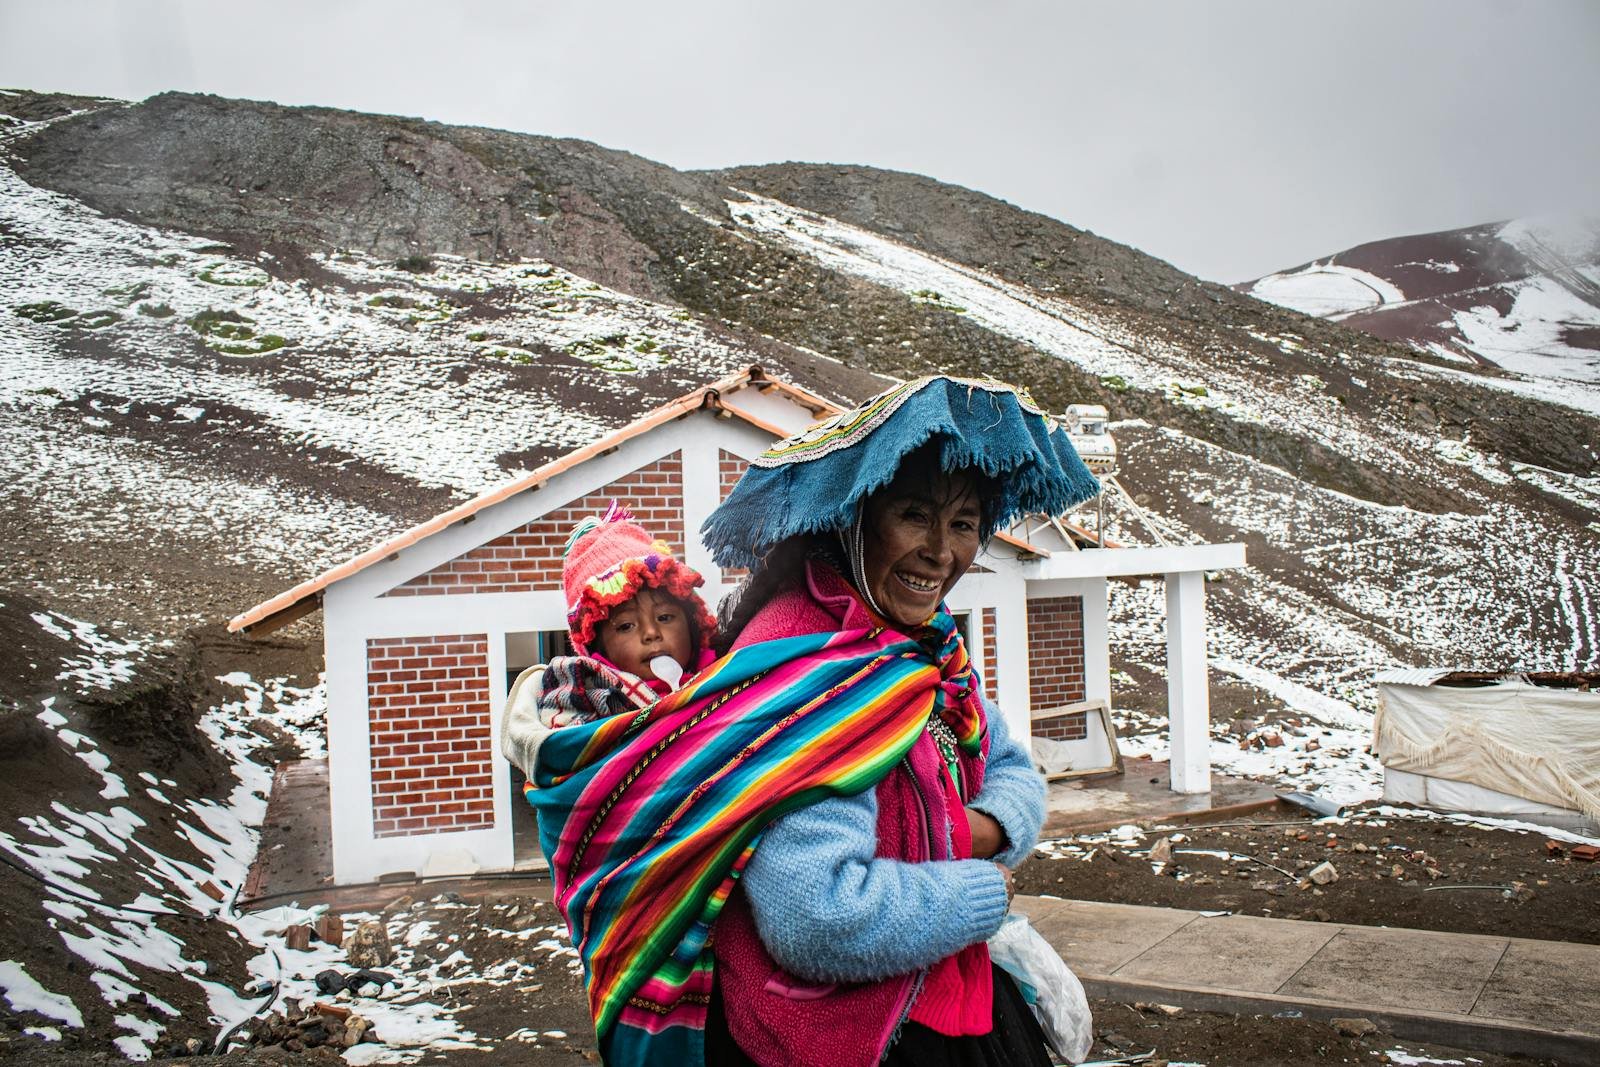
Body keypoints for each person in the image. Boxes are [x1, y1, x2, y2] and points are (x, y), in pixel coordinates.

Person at [519, 377, 1100, 1067]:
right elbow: (816, 916)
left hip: (949, 998)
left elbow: (1008, 763)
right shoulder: (800, 663)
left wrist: (992, 826)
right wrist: (981, 886)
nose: (942, 551)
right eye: (915, 513)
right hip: (856, 1037)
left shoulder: (921, 643)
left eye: (965, 522)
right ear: (855, 513)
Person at [501, 505, 718, 774]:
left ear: (692, 623)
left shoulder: (725, 678)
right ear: (596, 646)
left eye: (665, 617)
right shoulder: (586, 699)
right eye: (626, 625)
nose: (651, 633)